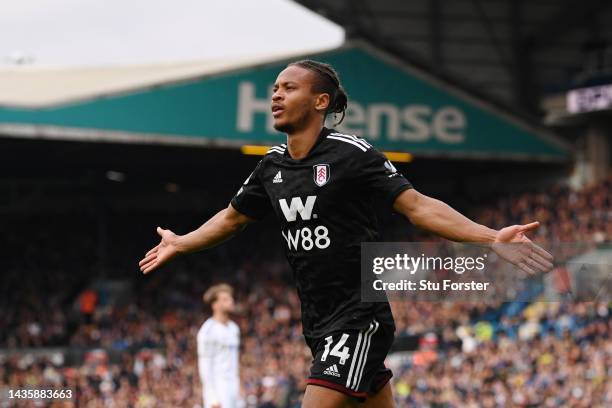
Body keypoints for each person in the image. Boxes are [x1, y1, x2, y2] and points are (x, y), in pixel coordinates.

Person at [139, 60, 553, 407]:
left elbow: (418, 206)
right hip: (317, 321)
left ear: (321, 101)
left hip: (358, 317)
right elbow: (231, 219)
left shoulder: (351, 154)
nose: (276, 95)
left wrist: (490, 237)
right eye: (275, 88)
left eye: (289, 88)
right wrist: (182, 240)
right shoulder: (272, 166)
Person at [197, 284, 240, 408]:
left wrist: (239, 386)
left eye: (231, 298)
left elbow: (234, 361)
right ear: (215, 305)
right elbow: (204, 366)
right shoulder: (207, 331)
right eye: (225, 299)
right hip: (219, 391)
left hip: (233, 389)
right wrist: (212, 397)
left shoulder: (234, 328)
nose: (231, 301)